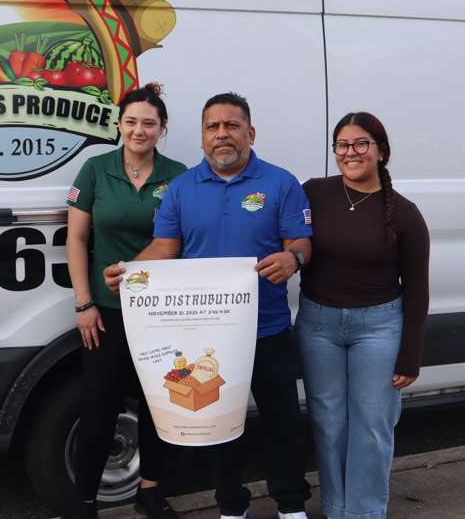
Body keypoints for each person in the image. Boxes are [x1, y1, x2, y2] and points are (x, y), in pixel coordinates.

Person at [105, 92, 313, 519]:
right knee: (218, 428)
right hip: (209, 337)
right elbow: (166, 246)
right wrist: (127, 273)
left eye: (232, 125)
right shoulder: (181, 189)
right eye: (212, 127)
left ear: (250, 133)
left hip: (268, 328)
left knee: (283, 424)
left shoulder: (280, 183)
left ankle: (292, 506)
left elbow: (301, 241)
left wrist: (294, 258)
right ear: (201, 138)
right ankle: (231, 508)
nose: (222, 135)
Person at [296, 112, 430, 519]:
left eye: (360, 144)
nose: (350, 152)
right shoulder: (313, 194)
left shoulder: (406, 214)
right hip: (318, 325)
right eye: (342, 145)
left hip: (379, 328)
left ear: (380, 151)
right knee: (328, 423)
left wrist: (411, 355)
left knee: (372, 427)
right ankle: (336, 509)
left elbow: (419, 290)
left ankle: (365, 513)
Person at [65, 82, 187, 519]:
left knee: (160, 404)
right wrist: (84, 303)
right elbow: (76, 239)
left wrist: (134, 274)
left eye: (149, 123)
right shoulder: (95, 170)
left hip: (162, 312)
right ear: (119, 124)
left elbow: (179, 241)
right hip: (106, 313)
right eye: (131, 121)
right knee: (98, 407)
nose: (139, 130)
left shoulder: (178, 175)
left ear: (162, 128)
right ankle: (83, 499)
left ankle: (150, 491)